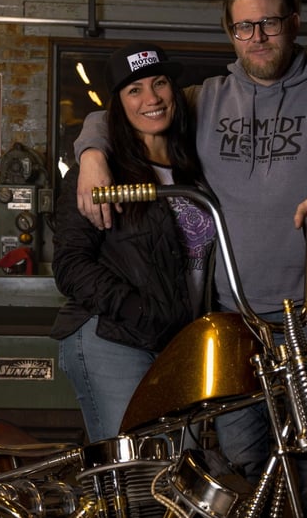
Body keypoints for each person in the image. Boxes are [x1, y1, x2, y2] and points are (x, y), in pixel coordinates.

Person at [73, 0, 307, 513]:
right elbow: (132, 107)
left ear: (293, 25)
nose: (257, 36)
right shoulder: (206, 99)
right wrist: (91, 154)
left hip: (305, 315)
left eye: (269, 23)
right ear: (230, 32)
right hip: (229, 321)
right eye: (243, 26)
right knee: (243, 467)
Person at [50, 42, 216, 444]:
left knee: (183, 460)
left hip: (177, 340)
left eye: (159, 83)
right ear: (118, 105)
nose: (152, 98)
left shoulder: (194, 170)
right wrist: (135, 308)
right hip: (112, 335)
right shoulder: (100, 174)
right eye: (135, 90)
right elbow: (70, 264)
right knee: (135, 465)